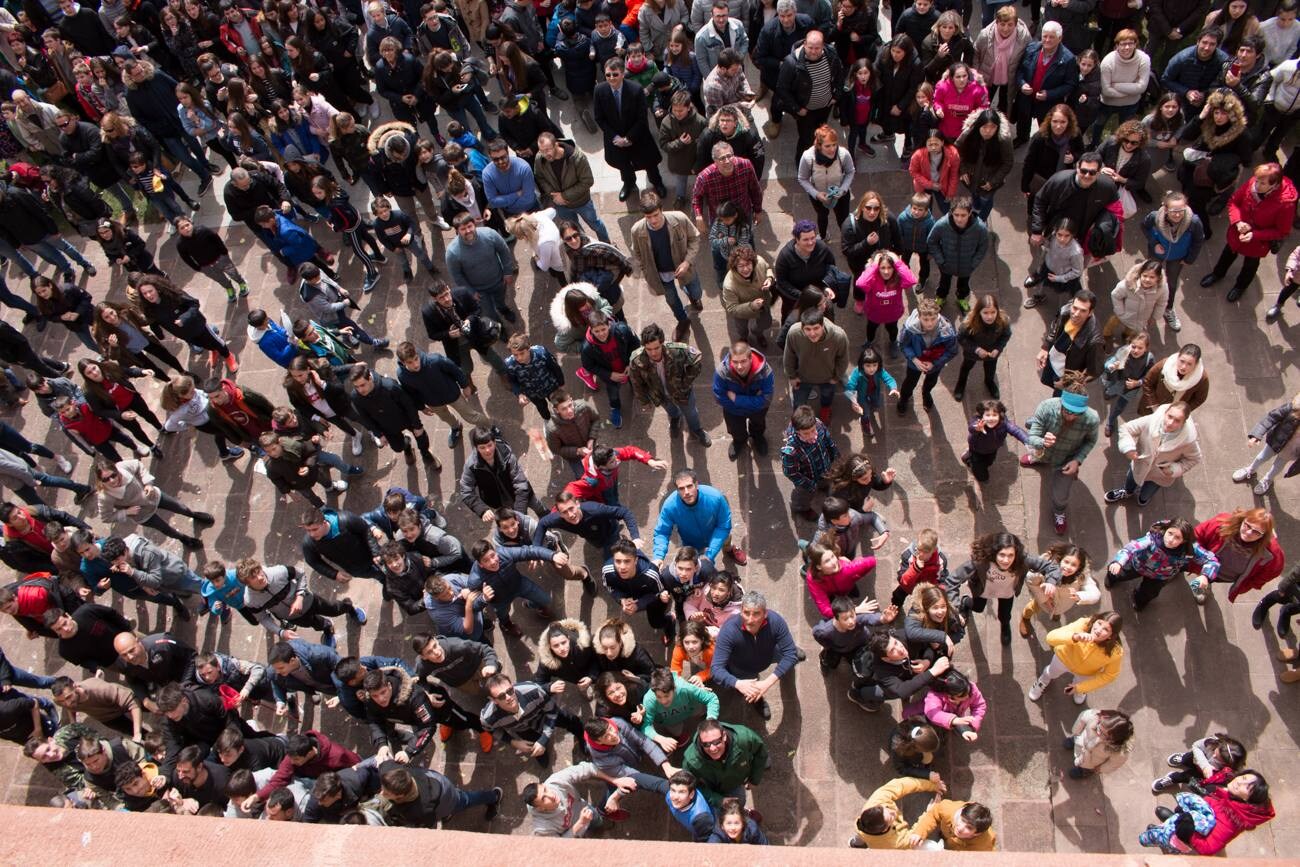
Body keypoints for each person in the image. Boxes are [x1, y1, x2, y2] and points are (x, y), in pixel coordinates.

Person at [1200, 163, 1298, 302]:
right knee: (1228, 253)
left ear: (1275, 185)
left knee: (1250, 265)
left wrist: (1255, 235)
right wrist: (1238, 221)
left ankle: (1240, 286)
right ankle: (1218, 274)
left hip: (1257, 242)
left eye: (1262, 183)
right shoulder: (1253, 183)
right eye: (1257, 180)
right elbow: (1234, 202)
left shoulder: (1285, 204)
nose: (1256, 185)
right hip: (1237, 232)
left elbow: (1281, 231)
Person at [1020, 374, 1101, 535]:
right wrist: (1042, 441)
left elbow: (1090, 442)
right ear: (1061, 402)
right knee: (1036, 449)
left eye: (1077, 413)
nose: (1071, 416)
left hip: (1066, 459)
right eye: (1067, 410)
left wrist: (1077, 461)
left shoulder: (1092, 419)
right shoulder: (1046, 407)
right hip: (1044, 451)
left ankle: (1059, 512)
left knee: (1060, 496)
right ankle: (1038, 459)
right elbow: (1032, 437)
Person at [711, 590, 800, 720]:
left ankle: (787, 649)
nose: (750, 620)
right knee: (750, 690)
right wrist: (738, 683)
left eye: (756, 614)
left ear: (765, 613)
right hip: (743, 668)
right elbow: (716, 669)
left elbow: (790, 654)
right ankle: (757, 700)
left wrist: (767, 682)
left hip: (770, 652)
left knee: (791, 654)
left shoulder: (775, 621)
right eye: (746, 613)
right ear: (741, 611)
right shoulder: (728, 631)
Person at [1140, 769, 1275, 855]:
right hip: (1191, 817)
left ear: (1248, 800)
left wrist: (1188, 832)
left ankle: (1163, 840)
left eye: (1248, 788)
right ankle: (1171, 820)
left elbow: (1209, 848)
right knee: (1178, 815)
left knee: (1170, 841)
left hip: (1185, 836)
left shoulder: (1233, 820)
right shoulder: (1229, 790)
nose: (1240, 782)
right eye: (1244, 778)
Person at [629, 192, 705, 340]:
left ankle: (694, 299)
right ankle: (682, 321)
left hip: (684, 268)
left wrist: (687, 262)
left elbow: (694, 239)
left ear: (661, 209)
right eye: (648, 217)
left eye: (656, 215)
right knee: (671, 300)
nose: (653, 220)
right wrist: (646, 270)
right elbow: (636, 253)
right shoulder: (637, 230)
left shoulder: (679, 219)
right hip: (660, 274)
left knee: (695, 292)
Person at [1107, 519, 1222, 611]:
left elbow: (1212, 560)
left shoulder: (1190, 549)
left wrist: (1205, 576)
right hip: (1138, 566)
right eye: (1170, 533)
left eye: (1177, 537)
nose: (1171, 539)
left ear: (1184, 541)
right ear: (1165, 530)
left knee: (1148, 593)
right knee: (1118, 573)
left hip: (1161, 576)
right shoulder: (1152, 539)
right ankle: (1111, 578)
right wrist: (1118, 562)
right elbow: (1132, 547)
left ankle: (1138, 601)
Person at [594, 58, 667, 202]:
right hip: (615, 139)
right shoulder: (599, 90)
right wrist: (616, 138)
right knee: (624, 165)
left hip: (637, 136)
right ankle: (629, 184)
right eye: (608, 75)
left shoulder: (636, 89)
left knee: (649, 164)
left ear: (622, 74)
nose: (611, 78)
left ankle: (657, 183)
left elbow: (642, 118)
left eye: (615, 74)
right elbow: (599, 118)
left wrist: (628, 138)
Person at [627, 323, 711, 446]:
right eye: (649, 349)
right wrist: (644, 401)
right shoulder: (637, 360)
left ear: (662, 343)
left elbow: (696, 359)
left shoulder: (677, 350)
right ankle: (675, 418)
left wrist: (685, 382)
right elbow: (637, 383)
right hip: (660, 395)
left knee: (691, 413)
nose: (653, 353)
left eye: (656, 348)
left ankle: (697, 430)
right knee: (671, 410)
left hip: (682, 392)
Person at [1107, 402, 1203, 507]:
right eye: (1170, 416)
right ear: (1165, 413)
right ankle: (1127, 492)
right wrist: (1128, 448)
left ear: (1184, 422)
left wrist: (1173, 469)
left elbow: (1194, 459)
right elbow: (1126, 428)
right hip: (1140, 464)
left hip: (1161, 475)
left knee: (1146, 493)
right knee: (1131, 480)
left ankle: (1143, 499)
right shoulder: (1152, 421)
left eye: (1177, 421)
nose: (1170, 423)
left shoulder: (1188, 440)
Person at [458, 427, 546, 523]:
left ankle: (546, 517)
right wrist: (481, 510)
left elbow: (520, 483)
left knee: (537, 506)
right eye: (482, 447)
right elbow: (466, 491)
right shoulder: (471, 465)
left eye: (489, 445)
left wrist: (520, 513)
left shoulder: (507, 456)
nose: (487, 450)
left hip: (521, 494)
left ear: (494, 443)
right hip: (497, 501)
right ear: (476, 448)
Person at [445, 212, 519, 325]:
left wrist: (508, 272)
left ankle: (503, 309)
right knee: (489, 313)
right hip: (479, 291)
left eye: (469, 226)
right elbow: (457, 276)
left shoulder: (489, 234)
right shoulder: (452, 252)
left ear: (474, 224)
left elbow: (503, 250)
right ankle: (498, 327)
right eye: (463, 229)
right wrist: (471, 292)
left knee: (501, 300)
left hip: (499, 280)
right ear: (457, 231)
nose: (468, 231)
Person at [1012, 22, 1076, 145]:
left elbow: (1070, 84)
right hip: (1027, 98)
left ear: (1060, 38)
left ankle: (1045, 145)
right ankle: (1022, 137)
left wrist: (1050, 94)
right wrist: (1022, 84)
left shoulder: (1068, 59)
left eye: (1051, 37)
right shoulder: (1031, 49)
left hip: (1048, 103)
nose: (1047, 40)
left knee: (1046, 129)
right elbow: (1020, 70)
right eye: (1044, 36)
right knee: (1023, 119)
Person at [681, 718, 768, 807]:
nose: (712, 748)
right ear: (700, 740)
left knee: (739, 803)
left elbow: (760, 752)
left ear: (724, 736)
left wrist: (754, 779)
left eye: (716, 742)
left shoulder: (744, 737)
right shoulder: (690, 760)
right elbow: (690, 785)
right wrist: (718, 800)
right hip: (712, 789)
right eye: (706, 744)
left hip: (737, 782)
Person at [784, 309, 850, 423]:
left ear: (822, 325)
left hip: (827, 379)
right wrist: (791, 376)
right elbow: (789, 356)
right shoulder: (794, 333)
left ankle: (825, 409)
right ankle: (798, 421)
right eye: (807, 329)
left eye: (816, 328)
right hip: (802, 378)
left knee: (827, 397)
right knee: (799, 403)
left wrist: (836, 377)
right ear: (802, 328)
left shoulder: (839, 336)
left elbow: (843, 359)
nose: (812, 333)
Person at [713, 339, 775, 460]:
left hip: (756, 410)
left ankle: (758, 437)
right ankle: (739, 441)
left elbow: (766, 399)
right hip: (734, 411)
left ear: (750, 359)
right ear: (730, 360)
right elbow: (719, 397)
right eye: (735, 362)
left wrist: (736, 399)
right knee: (736, 430)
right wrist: (754, 400)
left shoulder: (766, 372)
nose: (739, 366)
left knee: (758, 425)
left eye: (743, 361)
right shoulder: (721, 372)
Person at [896, 296, 958, 414]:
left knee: (931, 381)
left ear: (938, 316)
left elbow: (952, 350)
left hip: (935, 363)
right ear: (919, 317)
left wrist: (935, 363)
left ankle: (926, 393)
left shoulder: (947, 331)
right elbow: (903, 344)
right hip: (915, 363)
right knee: (910, 382)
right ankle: (904, 399)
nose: (930, 323)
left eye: (933, 319)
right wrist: (914, 359)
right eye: (925, 319)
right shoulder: (910, 329)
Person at [1233, 393, 1300, 496]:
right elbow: (1271, 418)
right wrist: (1257, 435)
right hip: (1275, 440)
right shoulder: (1292, 408)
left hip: (1291, 451)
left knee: (1277, 467)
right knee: (1260, 458)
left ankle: (1267, 480)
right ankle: (1250, 469)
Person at [1037, 289, 1104, 392]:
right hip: (1053, 361)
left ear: (1090, 312)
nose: (1076, 314)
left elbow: (1094, 371)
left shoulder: (1095, 341)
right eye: (1075, 308)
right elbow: (1055, 326)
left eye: (1083, 310)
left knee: (1059, 400)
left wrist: (1068, 383)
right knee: (1048, 381)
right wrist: (1046, 347)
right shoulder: (1066, 311)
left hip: (1066, 376)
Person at [1066, 708, 1134, 779]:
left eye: (1105, 735)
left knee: (1086, 766)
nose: (1099, 734)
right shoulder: (1095, 717)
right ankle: (1073, 740)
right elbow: (1083, 717)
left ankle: (1084, 771)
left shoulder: (1119, 751)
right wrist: (1076, 732)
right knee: (1078, 739)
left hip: (1091, 762)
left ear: (1116, 740)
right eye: (1098, 728)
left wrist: (1100, 769)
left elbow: (1114, 763)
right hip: (1082, 740)